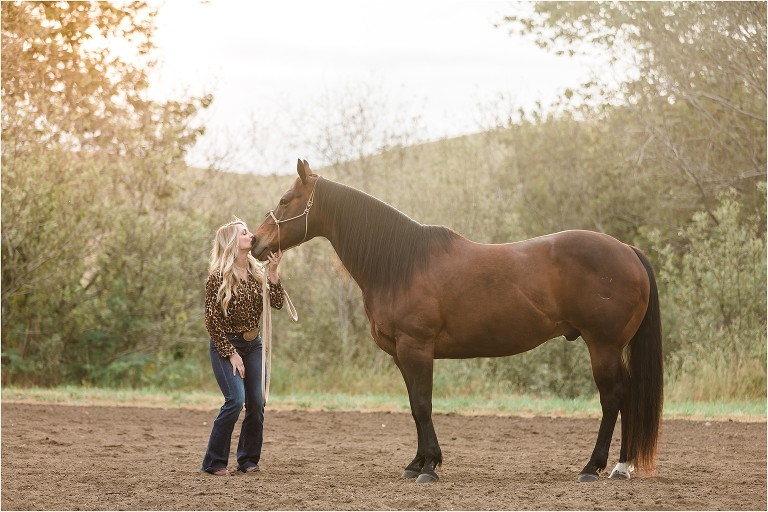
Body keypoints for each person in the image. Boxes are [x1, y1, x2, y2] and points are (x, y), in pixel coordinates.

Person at [200, 218, 284, 476]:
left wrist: (272, 273)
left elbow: (278, 303)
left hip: (254, 345)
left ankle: (247, 460)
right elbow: (211, 322)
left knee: (256, 403)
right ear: (232, 243)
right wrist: (231, 354)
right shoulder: (217, 279)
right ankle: (213, 462)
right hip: (227, 344)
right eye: (245, 233)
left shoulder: (257, 273)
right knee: (235, 401)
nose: (251, 235)